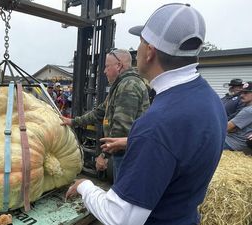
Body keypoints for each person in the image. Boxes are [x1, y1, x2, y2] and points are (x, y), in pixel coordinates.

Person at [66, 4, 227, 225]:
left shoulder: (157, 124)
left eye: (140, 42)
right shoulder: (209, 99)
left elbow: (121, 219)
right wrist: (131, 141)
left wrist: (85, 186)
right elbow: (180, 147)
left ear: (150, 51)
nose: (137, 50)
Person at [61, 48, 150, 180]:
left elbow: (122, 128)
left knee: (123, 194)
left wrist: (104, 156)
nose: (104, 71)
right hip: (124, 153)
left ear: (119, 66)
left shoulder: (128, 86)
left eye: (107, 66)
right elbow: (99, 112)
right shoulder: (121, 85)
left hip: (128, 155)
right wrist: (73, 122)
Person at [224, 81, 252, 153]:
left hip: (232, 143)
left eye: (246, 93)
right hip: (236, 141)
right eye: (241, 93)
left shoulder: (248, 111)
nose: (241, 95)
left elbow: (226, 127)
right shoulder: (246, 108)